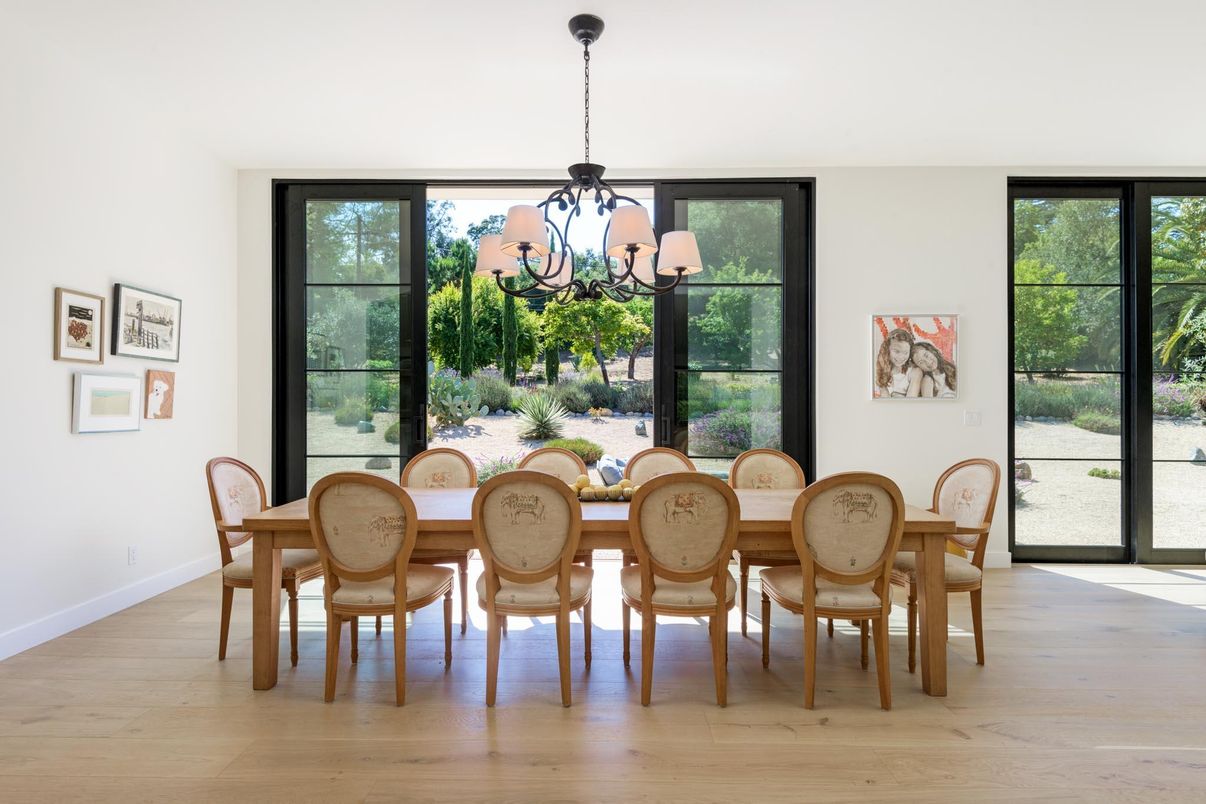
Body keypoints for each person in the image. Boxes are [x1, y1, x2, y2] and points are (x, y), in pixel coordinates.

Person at [875, 327, 916, 397]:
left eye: (905, 352)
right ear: (887, 350)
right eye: (896, 351)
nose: (901, 357)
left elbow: (911, 401)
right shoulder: (881, 369)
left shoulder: (914, 371)